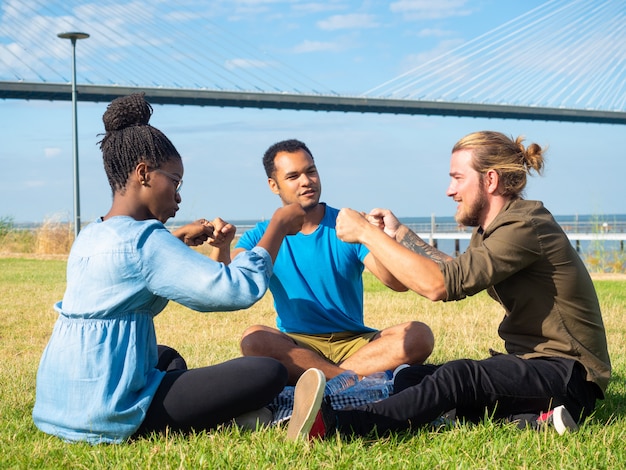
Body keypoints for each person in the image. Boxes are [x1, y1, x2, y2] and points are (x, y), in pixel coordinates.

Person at [287, 130, 611, 440]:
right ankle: (533, 421)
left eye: (457, 178)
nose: (449, 190)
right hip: (528, 365)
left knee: (460, 377)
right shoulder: (493, 228)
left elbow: (439, 286)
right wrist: (399, 234)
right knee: (412, 377)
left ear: (490, 180)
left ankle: (340, 425)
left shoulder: (524, 224)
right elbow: (456, 269)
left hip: (569, 373)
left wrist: (366, 234)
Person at [32, 93, 305, 444]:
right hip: (108, 410)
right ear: (144, 173)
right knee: (268, 371)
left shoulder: (92, 234)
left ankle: (218, 413)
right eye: (175, 182)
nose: (178, 197)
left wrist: (174, 238)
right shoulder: (148, 242)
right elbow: (234, 290)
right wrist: (278, 226)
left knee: (166, 357)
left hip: (59, 402)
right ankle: (238, 418)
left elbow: (127, 265)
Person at [232, 139, 434, 385]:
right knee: (253, 339)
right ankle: (348, 381)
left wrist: (375, 236)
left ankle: (322, 382)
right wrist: (222, 246)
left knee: (418, 335)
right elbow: (235, 277)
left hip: (355, 342)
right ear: (273, 185)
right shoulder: (263, 234)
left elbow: (395, 283)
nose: (306, 181)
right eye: (293, 176)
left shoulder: (348, 224)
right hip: (298, 344)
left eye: (311, 171)